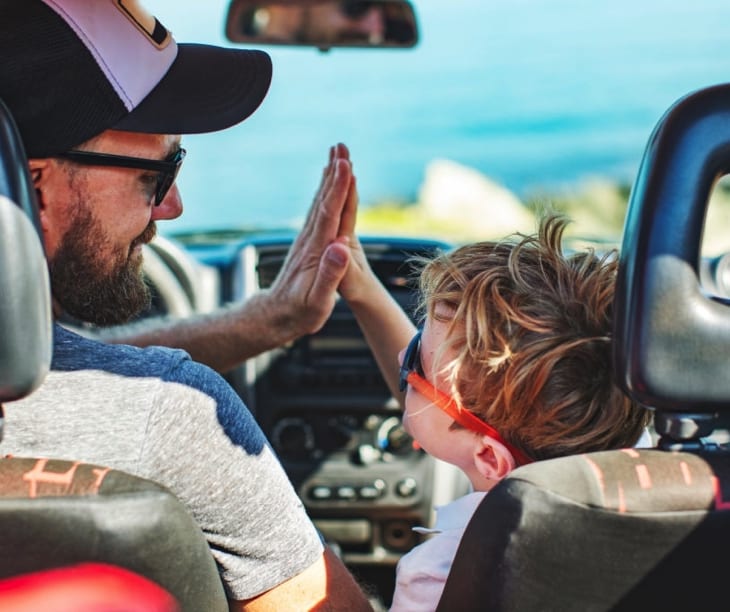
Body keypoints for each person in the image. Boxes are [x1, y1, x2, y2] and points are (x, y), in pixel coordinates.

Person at [0, 1, 372, 610]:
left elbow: (62, 373)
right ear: (32, 186)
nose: (173, 208)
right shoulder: (171, 414)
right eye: (158, 174)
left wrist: (269, 320)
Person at [337, 212, 653, 610]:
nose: (402, 354)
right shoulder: (628, 435)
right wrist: (362, 288)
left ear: (489, 457)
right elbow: (451, 405)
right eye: (416, 342)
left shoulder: (439, 579)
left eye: (414, 366)